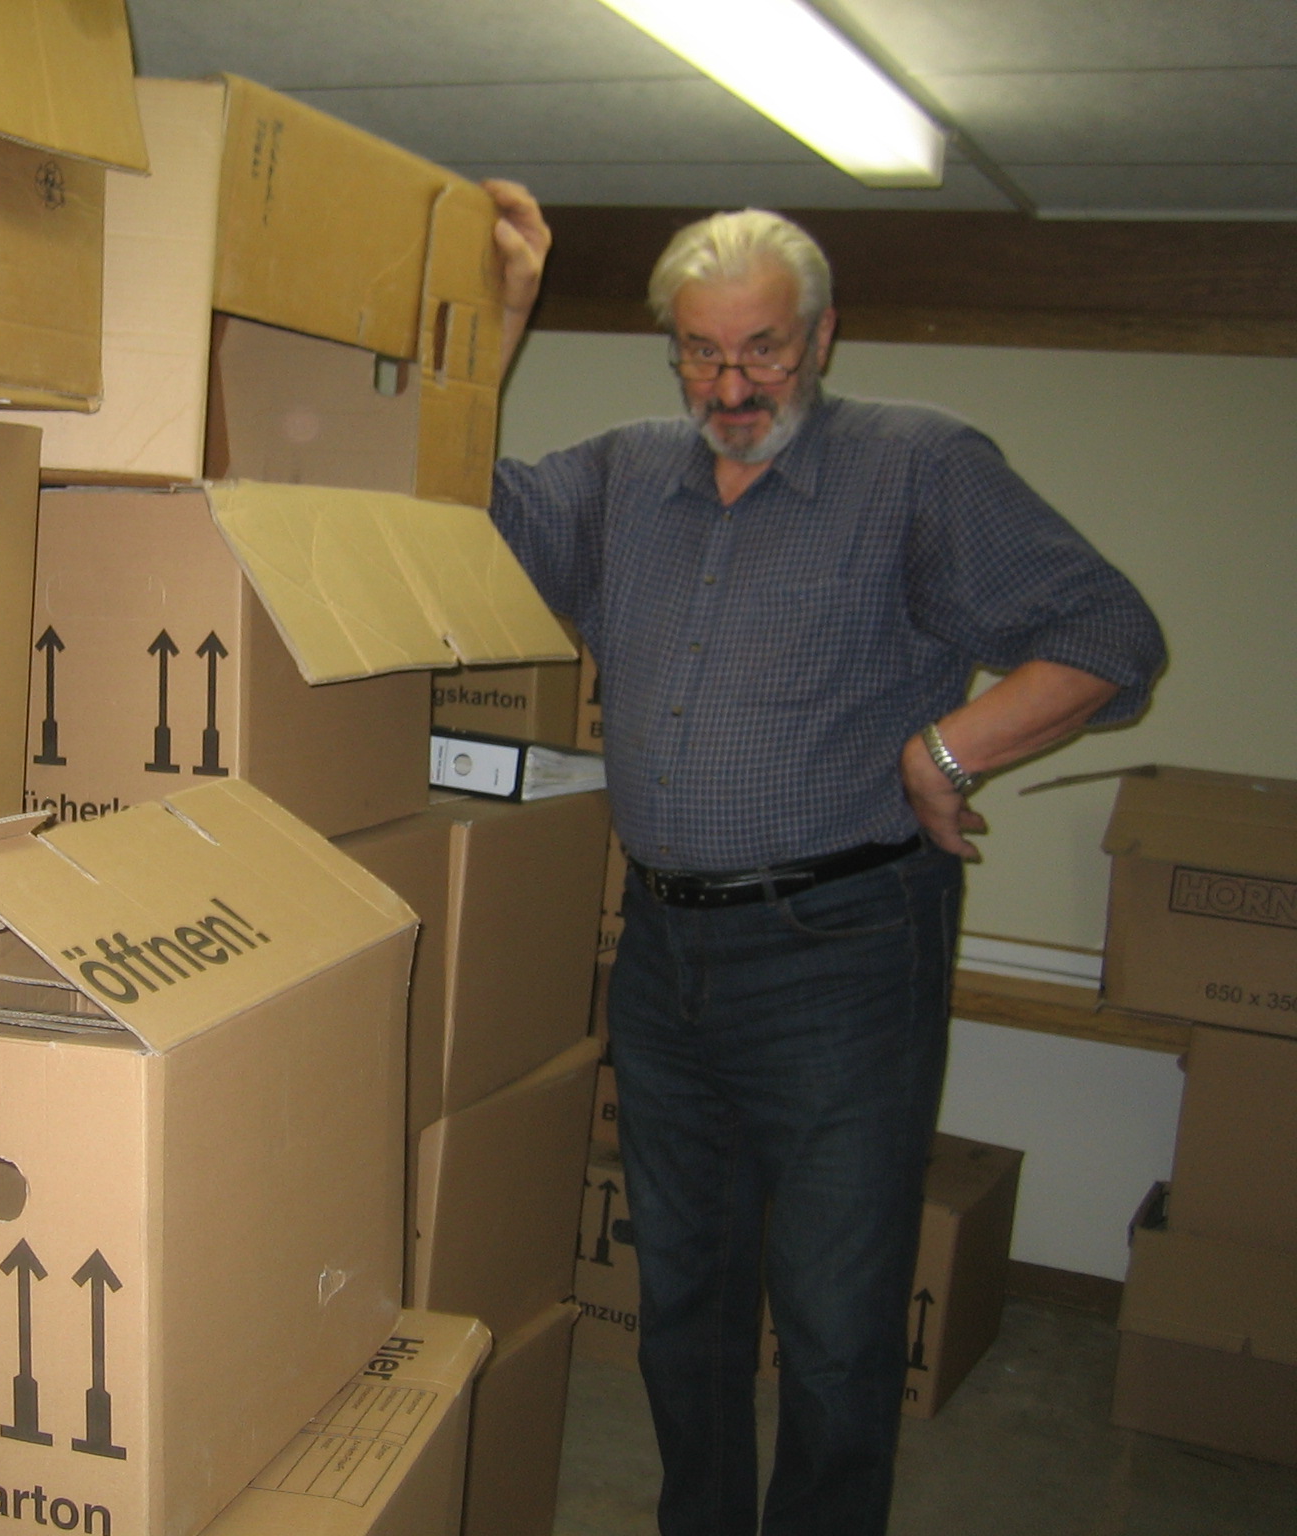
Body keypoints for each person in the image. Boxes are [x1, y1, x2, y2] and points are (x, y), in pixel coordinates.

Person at [480, 186, 1166, 1536]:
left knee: (839, 1317)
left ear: (824, 335)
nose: (733, 388)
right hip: (666, 950)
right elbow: (449, 513)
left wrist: (945, 752)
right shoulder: (621, 478)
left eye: (765, 352)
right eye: (702, 354)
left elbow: (1110, 634)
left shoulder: (917, 469)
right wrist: (501, 321)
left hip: (843, 950)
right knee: (683, 1299)